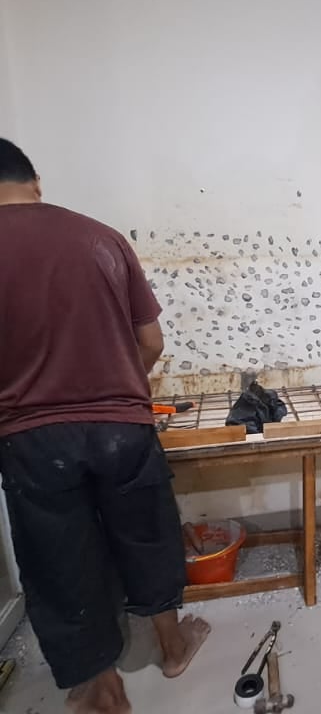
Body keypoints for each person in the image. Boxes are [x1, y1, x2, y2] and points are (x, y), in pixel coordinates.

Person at [0, 138, 210, 714]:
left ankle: (100, 686)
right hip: (123, 427)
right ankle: (172, 648)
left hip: (31, 437)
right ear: (35, 182)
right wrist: (119, 393)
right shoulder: (101, 238)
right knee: (146, 534)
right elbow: (151, 342)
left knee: (59, 559)